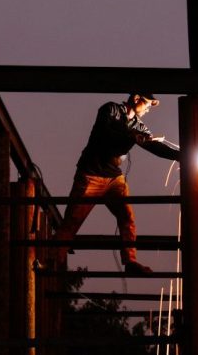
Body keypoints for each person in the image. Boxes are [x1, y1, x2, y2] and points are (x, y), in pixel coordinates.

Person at [56, 93, 179, 276]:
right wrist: (132, 136)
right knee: (72, 221)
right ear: (136, 99)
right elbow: (105, 132)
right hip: (91, 174)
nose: (148, 109)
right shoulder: (110, 109)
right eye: (147, 104)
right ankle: (51, 262)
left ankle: (130, 261)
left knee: (127, 217)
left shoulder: (138, 125)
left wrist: (180, 156)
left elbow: (154, 146)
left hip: (114, 178)